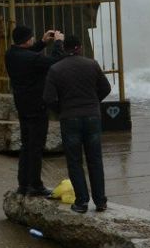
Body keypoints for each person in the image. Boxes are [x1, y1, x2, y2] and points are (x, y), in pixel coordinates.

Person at [43, 33, 112, 213]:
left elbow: (48, 98)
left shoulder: (56, 69)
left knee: (74, 161)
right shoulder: (92, 64)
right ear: (80, 47)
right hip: (92, 118)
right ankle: (101, 202)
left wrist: (63, 110)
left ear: (64, 48)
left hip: (70, 119)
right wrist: (93, 103)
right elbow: (106, 88)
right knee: (95, 160)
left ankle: (81, 202)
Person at [4, 24, 65, 197]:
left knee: (26, 145)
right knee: (36, 146)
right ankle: (36, 185)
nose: (33, 39)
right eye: (31, 37)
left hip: (22, 105)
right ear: (26, 40)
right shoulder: (30, 59)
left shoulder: (10, 54)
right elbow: (55, 62)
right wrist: (58, 43)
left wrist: (42, 42)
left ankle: (23, 185)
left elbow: (28, 54)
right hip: (37, 106)